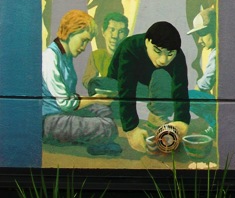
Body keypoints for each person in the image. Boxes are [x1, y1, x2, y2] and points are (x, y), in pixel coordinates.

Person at [42, 10, 121, 156]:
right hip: (49, 121)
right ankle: (99, 140)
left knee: (103, 110)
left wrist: (96, 101)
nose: (84, 47)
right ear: (70, 32)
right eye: (83, 40)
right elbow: (66, 103)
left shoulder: (65, 56)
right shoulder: (50, 58)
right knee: (106, 126)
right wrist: (94, 99)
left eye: (87, 42)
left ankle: (98, 140)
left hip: (63, 113)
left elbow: (69, 97)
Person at [107, 21, 191, 153]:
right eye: (157, 51)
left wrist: (182, 121)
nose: (163, 60)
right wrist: (131, 129)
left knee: (162, 74)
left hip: (149, 89)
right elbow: (125, 89)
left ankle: (156, 117)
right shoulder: (130, 47)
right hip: (118, 88)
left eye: (170, 54)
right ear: (147, 42)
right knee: (98, 84)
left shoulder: (178, 55)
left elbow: (180, 88)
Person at [188, 8, 217, 138]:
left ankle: (215, 125)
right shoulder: (215, 50)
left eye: (202, 34)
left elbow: (208, 80)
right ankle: (214, 125)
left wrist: (198, 87)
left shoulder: (218, 53)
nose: (199, 41)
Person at [83, 12, 129, 94]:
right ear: (103, 31)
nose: (115, 36)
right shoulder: (96, 56)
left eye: (121, 31)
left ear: (126, 34)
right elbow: (87, 81)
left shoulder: (131, 57)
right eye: (112, 30)